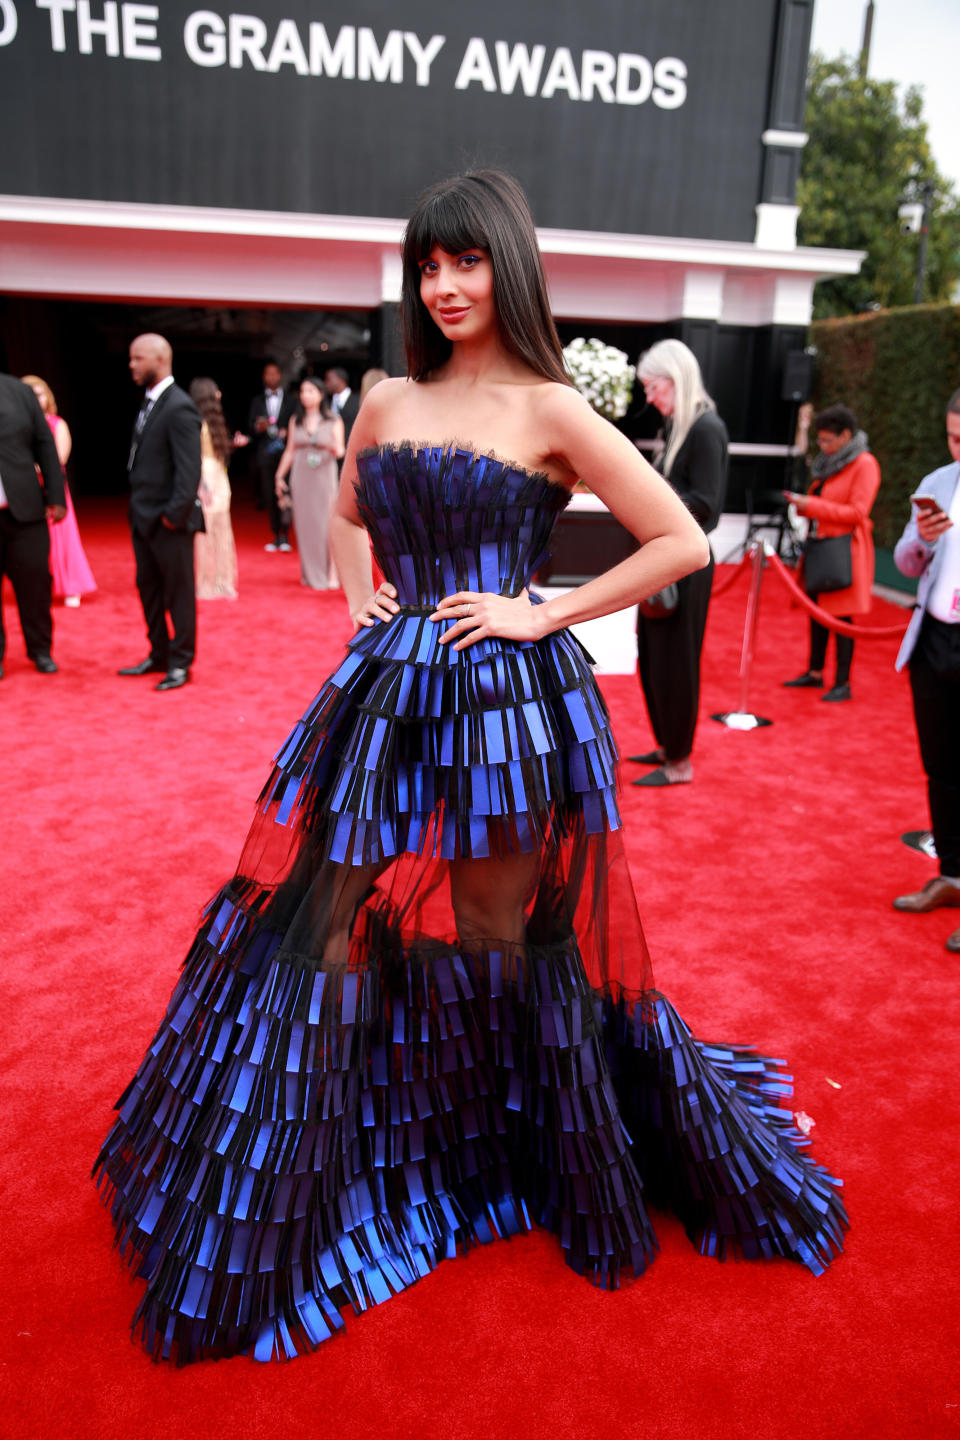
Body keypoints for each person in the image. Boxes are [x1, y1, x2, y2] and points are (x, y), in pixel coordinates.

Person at [94, 170, 846, 1366]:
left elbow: (680, 539)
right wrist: (362, 597)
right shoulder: (386, 398)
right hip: (389, 694)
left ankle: (497, 1157)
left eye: (467, 262)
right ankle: (289, 1182)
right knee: (325, 913)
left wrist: (544, 616)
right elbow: (346, 516)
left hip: (505, 702)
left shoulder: (554, 408)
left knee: (500, 935)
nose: (445, 285)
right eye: (429, 266)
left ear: (509, 266)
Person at [629, 340, 729, 786]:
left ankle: (680, 761)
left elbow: (708, 505)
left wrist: (650, 497)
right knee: (654, 658)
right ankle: (669, 744)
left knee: (678, 661)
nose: (649, 397)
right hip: (662, 559)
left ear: (676, 379)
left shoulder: (706, 428)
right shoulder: (678, 425)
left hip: (686, 564)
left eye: (653, 387)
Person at [891, 387, 960, 954]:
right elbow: (904, 559)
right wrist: (923, 542)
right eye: (953, 437)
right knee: (940, 764)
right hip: (935, 638)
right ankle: (952, 875)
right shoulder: (938, 481)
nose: (957, 450)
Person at [118, 334, 203, 692]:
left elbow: (189, 471)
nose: (132, 365)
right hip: (143, 517)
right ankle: (159, 653)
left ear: (160, 358)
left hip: (169, 522)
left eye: (138, 358)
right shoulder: (152, 402)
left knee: (178, 593)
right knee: (149, 589)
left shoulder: (179, 406)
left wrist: (172, 516)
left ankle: (181, 662)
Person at [782, 404, 881, 702]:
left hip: (844, 552)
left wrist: (810, 506)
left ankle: (843, 682)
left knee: (842, 618)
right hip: (821, 547)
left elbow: (858, 512)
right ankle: (814, 672)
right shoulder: (831, 463)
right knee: (817, 612)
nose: (822, 446)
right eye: (821, 440)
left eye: (827, 440)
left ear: (846, 436)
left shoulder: (864, 463)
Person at [0, 372, 65, 676]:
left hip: (24, 511)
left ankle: (40, 650)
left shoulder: (18, 392)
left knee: (36, 585)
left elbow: (45, 444)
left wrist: (56, 496)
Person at [21, 374, 97, 608]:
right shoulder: (18, 425)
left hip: (52, 487)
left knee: (62, 539)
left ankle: (71, 586)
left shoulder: (57, 423)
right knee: (30, 543)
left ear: (48, 396)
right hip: (25, 489)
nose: (35, 398)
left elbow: (60, 458)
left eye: (39, 393)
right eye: (29, 394)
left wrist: (28, 467)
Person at [274, 377, 345, 589]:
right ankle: (310, 574)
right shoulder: (296, 420)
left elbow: (341, 450)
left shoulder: (333, 420)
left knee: (327, 525)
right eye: (303, 391)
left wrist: (328, 446)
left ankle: (332, 574)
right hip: (301, 475)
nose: (306, 395)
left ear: (321, 394)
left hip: (324, 476)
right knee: (305, 527)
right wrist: (279, 476)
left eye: (311, 391)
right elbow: (290, 450)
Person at [189, 377, 238, 601]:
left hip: (215, 477)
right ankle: (211, 582)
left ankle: (218, 582)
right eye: (216, 391)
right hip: (207, 478)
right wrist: (201, 483)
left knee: (217, 531)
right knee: (211, 531)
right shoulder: (200, 422)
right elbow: (194, 456)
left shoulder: (209, 421)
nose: (219, 394)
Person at [244, 361, 297, 552]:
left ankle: (286, 534)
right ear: (264, 377)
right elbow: (251, 426)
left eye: (275, 374)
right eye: (268, 374)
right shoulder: (257, 401)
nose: (272, 377)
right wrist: (260, 427)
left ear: (280, 376)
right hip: (266, 453)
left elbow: (298, 423)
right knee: (269, 492)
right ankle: (276, 534)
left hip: (286, 453)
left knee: (286, 492)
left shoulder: (292, 401)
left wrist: (286, 432)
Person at [324, 366, 359, 448]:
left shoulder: (358, 401)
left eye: (328, 379)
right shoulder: (325, 403)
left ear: (340, 380)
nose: (326, 384)